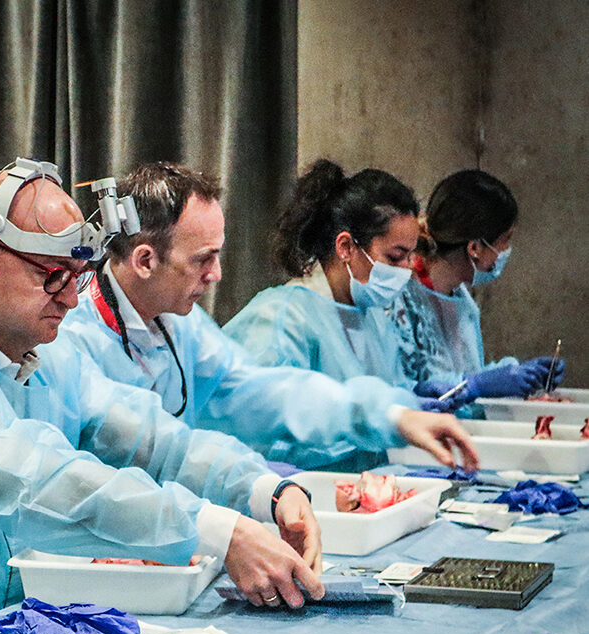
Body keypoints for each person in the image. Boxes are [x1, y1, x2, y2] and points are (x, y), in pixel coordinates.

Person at [0, 158, 325, 631]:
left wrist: (265, 489)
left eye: (78, 277)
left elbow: (154, 441)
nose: (73, 300)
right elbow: (37, 482)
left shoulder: (46, 358)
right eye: (54, 276)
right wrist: (217, 530)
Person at [59, 161, 479, 472]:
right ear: (145, 261)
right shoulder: (72, 338)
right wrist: (250, 483)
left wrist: (389, 413)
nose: (216, 275)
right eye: (203, 259)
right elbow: (148, 450)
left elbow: (263, 389)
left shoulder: (179, 325)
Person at [224, 160, 425, 395]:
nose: (407, 269)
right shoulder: (284, 319)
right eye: (395, 257)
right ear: (346, 247)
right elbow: (266, 408)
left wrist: (412, 397)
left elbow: (383, 391)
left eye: (410, 256)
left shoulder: (373, 318)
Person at [385, 169, 564, 400]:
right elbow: (402, 391)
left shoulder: (460, 298)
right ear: (475, 248)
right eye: (505, 240)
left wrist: (511, 375)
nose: (506, 251)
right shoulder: (399, 301)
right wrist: (477, 384)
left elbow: (466, 373)